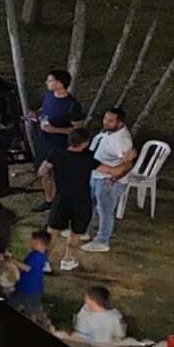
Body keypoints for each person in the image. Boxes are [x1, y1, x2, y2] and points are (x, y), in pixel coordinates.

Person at [83, 105, 139, 253]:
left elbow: (127, 165)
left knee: (105, 210)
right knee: (90, 204)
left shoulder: (122, 141)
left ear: (120, 123)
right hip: (97, 175)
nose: (106, 122)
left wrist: (114, 179)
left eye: (110, 120)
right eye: (105, 118)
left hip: (108, 180)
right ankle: (83, 230)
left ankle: (102, 241)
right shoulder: (110, 132)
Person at [42, 124, 99, 270]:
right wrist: (127, 161)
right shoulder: (88, 159)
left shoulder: (56, 153)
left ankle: (44, 261)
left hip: (61, 198)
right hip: (81, 200)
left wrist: (52, 179)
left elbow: (43, 171)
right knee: (76, 232)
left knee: (53, 231)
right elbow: (111, 170)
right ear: (85, 142)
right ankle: (67, 259)